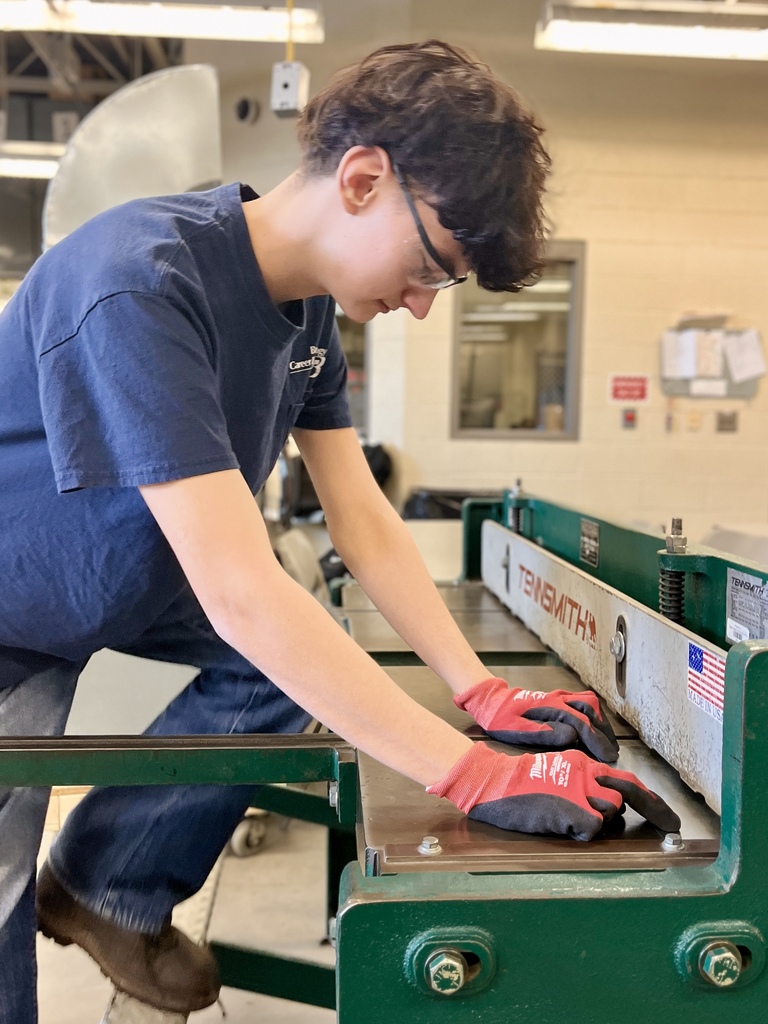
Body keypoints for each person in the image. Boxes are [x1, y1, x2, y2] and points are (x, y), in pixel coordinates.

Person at [0, 40, 679, 1022]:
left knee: (294, 637)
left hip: (112, 573)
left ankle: (107, 886)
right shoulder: (141, 284)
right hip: (13, 614)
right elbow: (237, 591)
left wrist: (476, 691)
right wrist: (470, 773)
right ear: (363, 178)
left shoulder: (308, 316)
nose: (415, 307)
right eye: (429, 270)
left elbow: (363, 517)